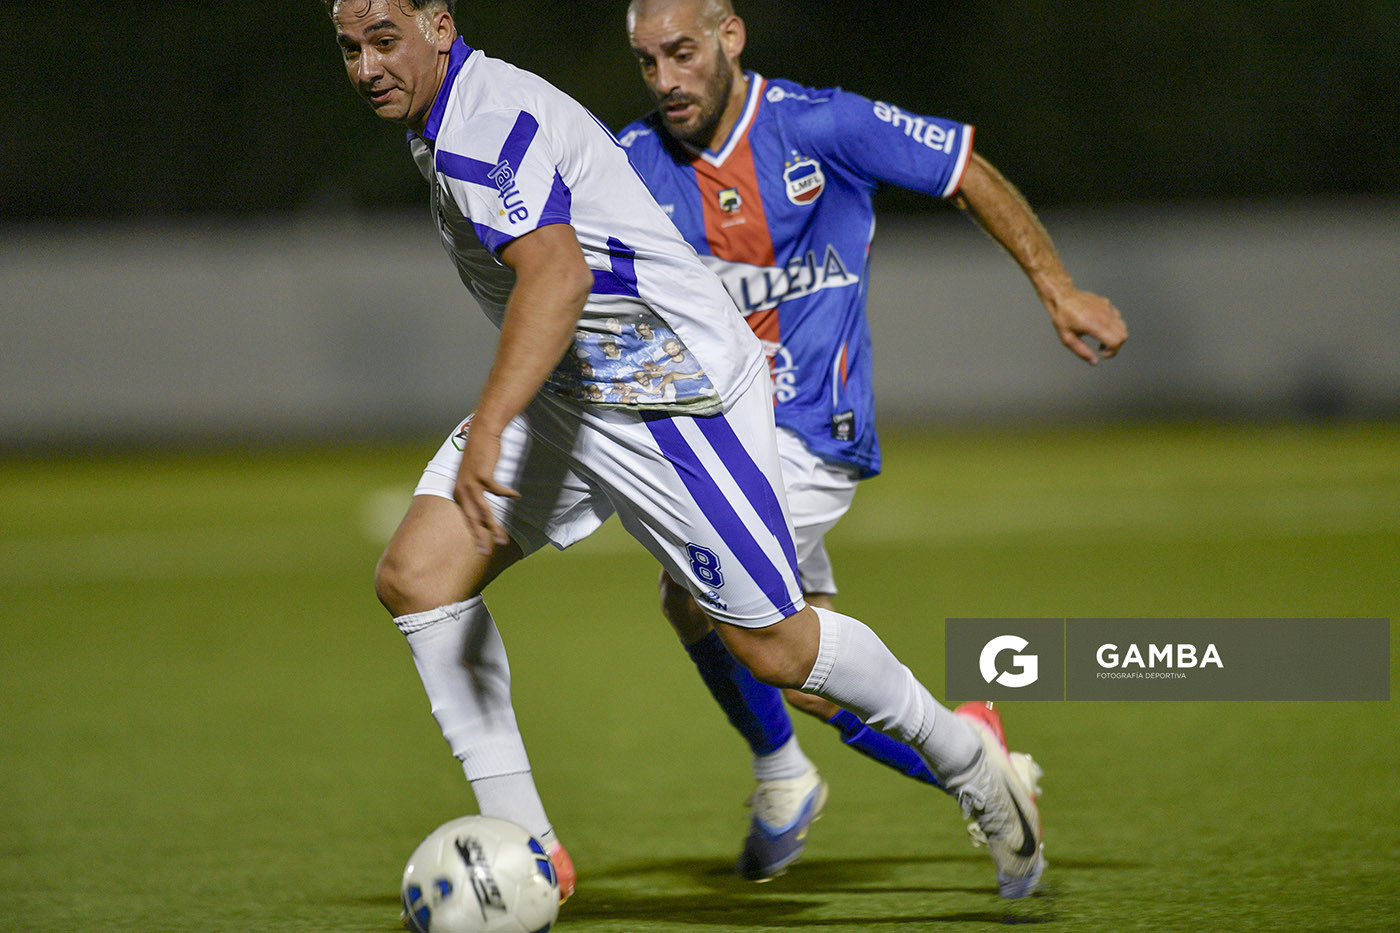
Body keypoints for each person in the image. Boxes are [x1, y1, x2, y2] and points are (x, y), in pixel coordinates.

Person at [326, 0, 1046, 913]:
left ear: (437, 24)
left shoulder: (478, 128)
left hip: (674, 396)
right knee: (419, 575)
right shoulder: (454, 112)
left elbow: (559, 274)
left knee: (777, 646)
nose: (365, 66)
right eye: (349, 47)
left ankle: (970, 762)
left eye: (383, 41)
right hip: (578, 389)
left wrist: (496, 418)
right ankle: (535, 850)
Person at [620, 0, 1127, 882]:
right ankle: (977, 757)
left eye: (682, 53)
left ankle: (800, 777)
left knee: (706, 598)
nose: (667, 80)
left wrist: (1057, 287)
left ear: (729, 37)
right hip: (731, 438)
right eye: (647, 62)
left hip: (815, 434)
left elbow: (963, 169)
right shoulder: (632, 163)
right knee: (795, 669)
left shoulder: (822, 125)